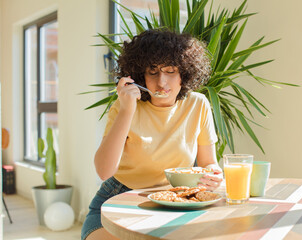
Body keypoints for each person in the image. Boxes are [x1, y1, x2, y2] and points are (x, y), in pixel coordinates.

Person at [81, 29, 223, 240]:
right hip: (118, 197)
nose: (162, 82)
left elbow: (209, 163)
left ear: (184, 73)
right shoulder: (125, 108)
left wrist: (212, 175)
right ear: (140, 75)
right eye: (153, 72)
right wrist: (127, 110)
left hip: (175, 199)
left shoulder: (198, 104)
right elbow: (103, 171)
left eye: (170, 71)